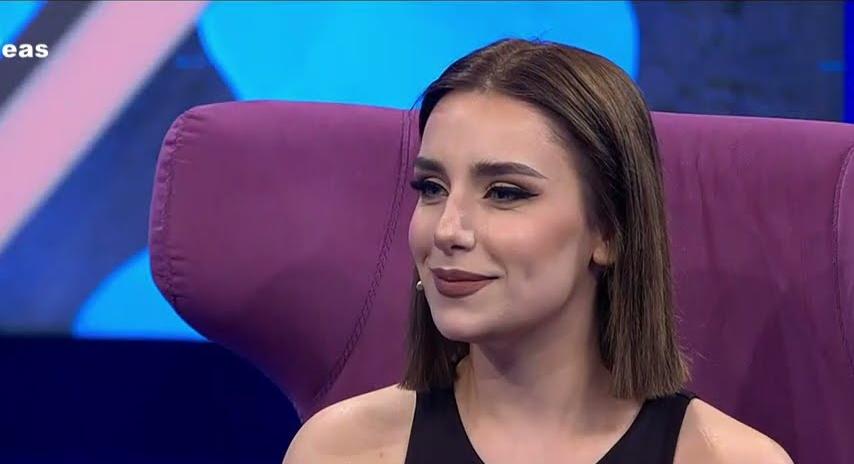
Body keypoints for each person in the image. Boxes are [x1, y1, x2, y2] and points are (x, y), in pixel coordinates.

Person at [283, 38, 794, 464]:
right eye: (432, 188)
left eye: (505, 193)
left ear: (609, 231)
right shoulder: (338, 451)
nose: (447, 230)